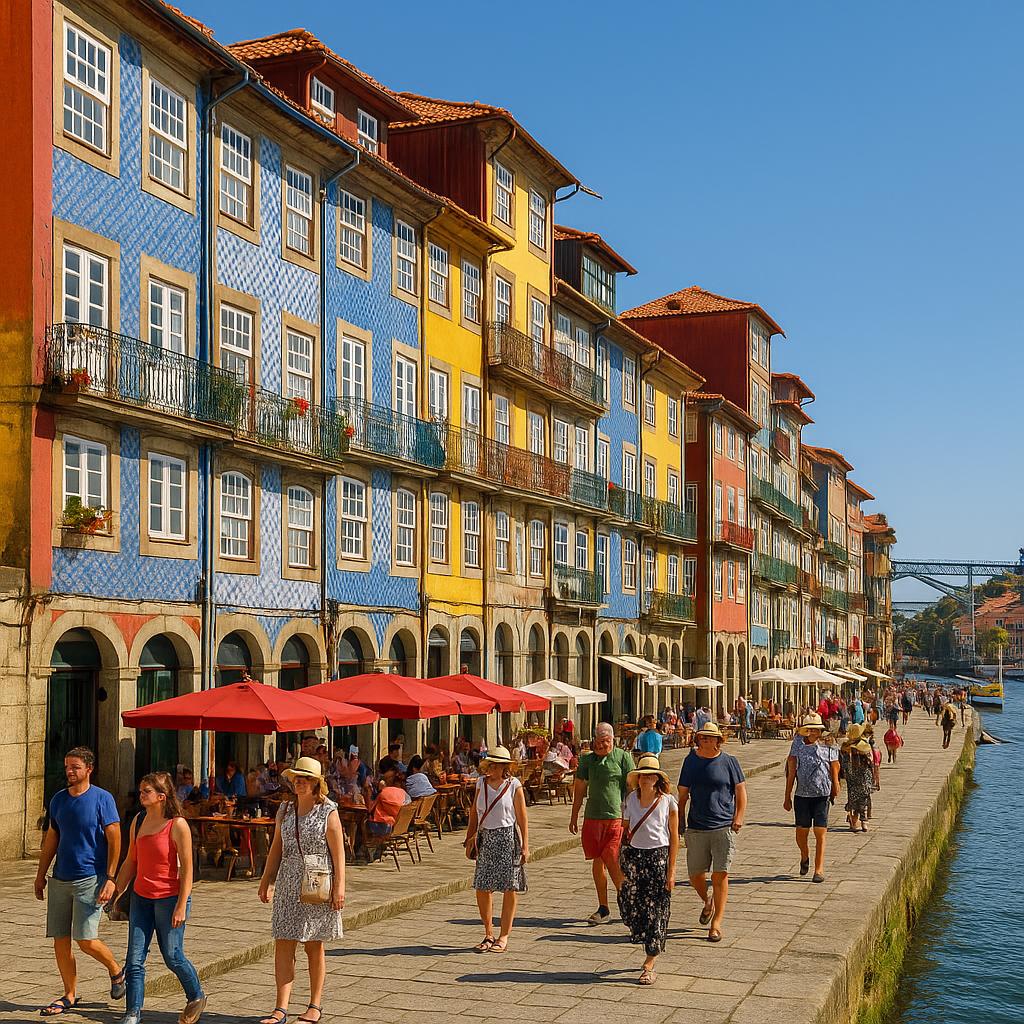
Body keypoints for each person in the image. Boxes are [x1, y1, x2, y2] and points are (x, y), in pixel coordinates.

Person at [35, 747, 125, 1018]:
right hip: (61, 878)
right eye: (66, 767)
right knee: (60, 941)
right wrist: (41, 875)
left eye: (75, 767)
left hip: (90, 878)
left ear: (89, 769)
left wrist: (111, 878)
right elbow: (52, 837)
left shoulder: (102, 799)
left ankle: (117, 971)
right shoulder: (59, 800)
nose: (69, 772)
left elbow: (115, 838)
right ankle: (69, 994)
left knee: (85, 939)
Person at [112, 771, 205, 1024]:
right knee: (134, 959)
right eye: (141, 790)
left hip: (170, 898)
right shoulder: (139, 820)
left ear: (162, 797)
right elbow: (131, 861)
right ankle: (132, 1013)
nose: (141, 794)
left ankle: (196, 995)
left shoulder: (177, 825)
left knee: (173, 956)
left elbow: (187, 869)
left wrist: (181, 906)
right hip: (141, 898)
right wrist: (115, 891)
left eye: (147, 791)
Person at [257, 756, 345, 1024]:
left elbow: (338, 852)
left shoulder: (328, 810)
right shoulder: (285, 810)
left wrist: (340, 887)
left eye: (306, 778)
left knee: (313, 945)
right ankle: (280, 1008)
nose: (300, 782)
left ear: (317, 783)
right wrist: (267, 879)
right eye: (296, 778)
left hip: (317, 881)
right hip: (287, 881)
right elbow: (277, 848)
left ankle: (314, 1005)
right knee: (283, 942)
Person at [677, 722, 746, 942]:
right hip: (697, 825)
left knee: (720, 873)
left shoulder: (729, 762)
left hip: (723, 825)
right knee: (695, 875)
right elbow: (682, 794)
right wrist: (679, 818)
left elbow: (740, 791)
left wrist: (739, 817)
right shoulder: (691, 761)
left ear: (718, 740)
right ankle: (708, 900)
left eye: (710, 737)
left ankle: (716, 923)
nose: (706, 740)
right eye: (703, 737)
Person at [618, 755, 678, 984]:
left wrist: (671, 872)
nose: (646, 779)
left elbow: (674, 839)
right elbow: (624, 832)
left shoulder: (667, 801)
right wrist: (619, 863)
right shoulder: (630, 799)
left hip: (658, 857)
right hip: (634, 857)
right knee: (631, 905)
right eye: (643, 775)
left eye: (651, 775)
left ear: (657, 779)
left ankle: (649, 962)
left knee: (656, 910)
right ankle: (645, 938)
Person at [464, 746, 529, 953]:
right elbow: (474, 812)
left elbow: (522, 817)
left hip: (507, 838)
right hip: (486, 837)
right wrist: (469, 837)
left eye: (495, 765)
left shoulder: (513, 786)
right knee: (482, 885)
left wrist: (526, 845)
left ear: (504, 767)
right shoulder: (480, 784)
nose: (490, 768)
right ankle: (488, 933)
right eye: (489, 764)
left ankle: (504, 935)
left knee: (510, 886)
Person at [570, 722, 632, 926]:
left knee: (611, 856)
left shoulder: (623, 757)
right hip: (592, 817)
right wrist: (573, 815)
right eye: (597, 741)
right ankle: (603, 907)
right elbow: (579, 789)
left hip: (615, 816)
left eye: (605, 741)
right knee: (598, 860)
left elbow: (632, 788)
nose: (601, 746)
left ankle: (626, 900)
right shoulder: (587, 760)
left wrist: (632, 817)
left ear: (612, 740)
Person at [784, 713, 840, 883]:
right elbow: (792, 769)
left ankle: (819, 869)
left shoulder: (828, 743)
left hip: (822, 794)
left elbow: (834, 765)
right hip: (802, 795)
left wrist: (835, 784)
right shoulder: (798, 744)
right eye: (810, 729)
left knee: (820, 832)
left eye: (816, 729)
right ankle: (804, 855)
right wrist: (787, 796)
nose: (813, 732)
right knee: (801, 832)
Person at [364, 768, 410, 838]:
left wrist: (368, 792)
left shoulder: (383, 793)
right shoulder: (403, 793)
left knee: (362, 822)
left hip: (385, 827)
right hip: (401, 825)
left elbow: (370, 809)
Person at [845, 741, 875, 832]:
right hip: (855, 785)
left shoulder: (865, 760)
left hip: (861, 786)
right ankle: (857, 821)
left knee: (860, 804)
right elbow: (848, 772)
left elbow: (869, 773)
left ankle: (862, 821)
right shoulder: (850, 759)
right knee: (856, 804)